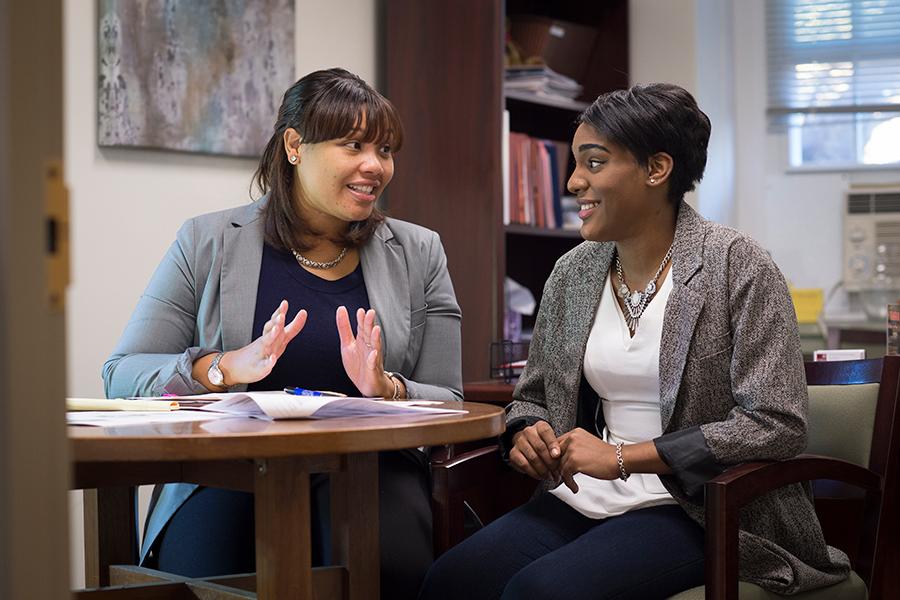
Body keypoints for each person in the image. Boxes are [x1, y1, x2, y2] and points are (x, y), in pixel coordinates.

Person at [418, 84, 849, 599]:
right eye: (576, 164)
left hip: (698, 507)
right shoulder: (573, 272)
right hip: (584, 497)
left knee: (541, 592)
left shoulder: (737, 265)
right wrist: (529, 429)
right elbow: (533, 395)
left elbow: (777, 423)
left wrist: (623, 458)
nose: (574, 181)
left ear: (656, 169)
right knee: (451, 581)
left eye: (594, 163)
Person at [103, 68, 462, 599]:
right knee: (202, 581)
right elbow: (121, 375)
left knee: (387, 568)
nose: (375, 166)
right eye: (354, 145)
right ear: (295, 146)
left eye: (385, 150)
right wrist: (221, 368)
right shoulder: (206, 241)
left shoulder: (419, 251)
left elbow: (450, 401)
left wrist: (389, 389)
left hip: (373, 473)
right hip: (226, 474)